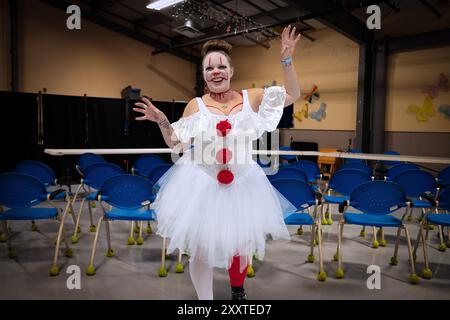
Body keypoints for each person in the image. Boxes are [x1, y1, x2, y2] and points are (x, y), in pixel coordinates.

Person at [133, 25, 302, 300]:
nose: (216, 72)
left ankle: (238, 292)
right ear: (203, 75)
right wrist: (161, 120)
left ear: (231, 71)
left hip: (243, 182)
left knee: (242, 243)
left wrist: (287, 58)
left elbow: (292, 94)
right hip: (204, 183)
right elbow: (176, 143)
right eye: (209, 68)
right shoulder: (195, 105)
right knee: (200, 248)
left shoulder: (253, 98)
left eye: (221, 66)